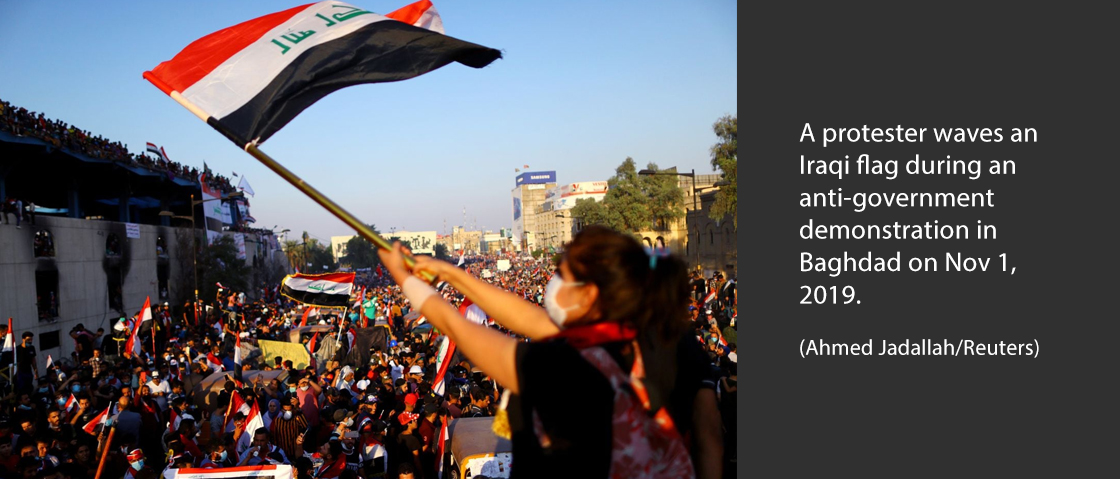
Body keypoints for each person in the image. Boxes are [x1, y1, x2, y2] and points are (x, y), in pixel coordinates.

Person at [379, 225, 721, 478]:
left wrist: (404, 279)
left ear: (589, 295)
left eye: (563, 274)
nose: (552, 284)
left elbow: (459, 329)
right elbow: (709, 439)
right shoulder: (671, 340)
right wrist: (451, 274)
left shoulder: (564, 363)